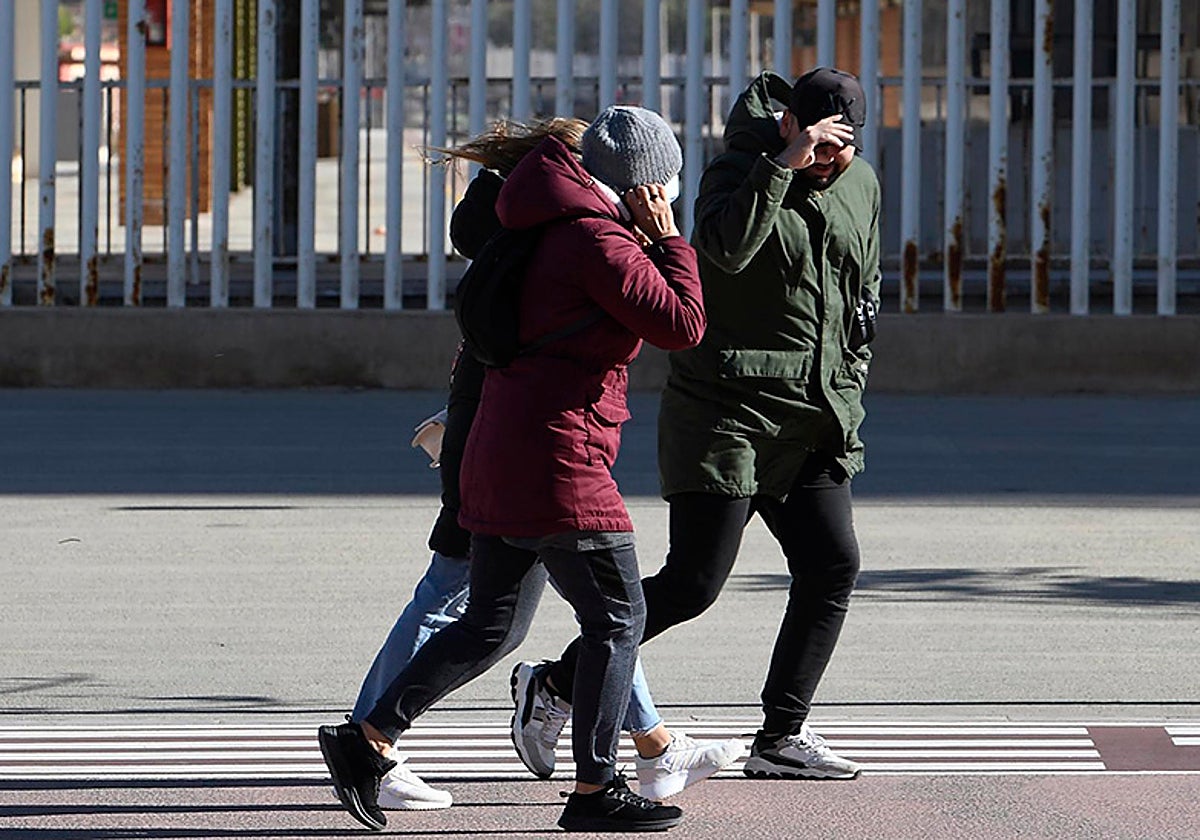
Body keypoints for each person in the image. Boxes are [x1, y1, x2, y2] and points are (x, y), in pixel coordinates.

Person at [319, 105, 715, 833]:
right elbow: (682, 324)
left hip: (504, 446)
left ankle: (366, 738)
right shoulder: (595, 239)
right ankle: (595, 791)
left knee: (490, 624)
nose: (669, 196)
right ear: (645, 184)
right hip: (561, 457)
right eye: (667, 184)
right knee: (618, 620)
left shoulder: (536, 219)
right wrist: (667, 239)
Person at [510, 67, 881, 782]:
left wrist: (852, 374)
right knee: (693, 583)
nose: (830, 157)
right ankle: (553, 684)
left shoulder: (860, 183)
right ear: (787, 124)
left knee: (832, 565)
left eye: (843, 145)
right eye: (817, 140)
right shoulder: (737, 173)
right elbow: (722, 251)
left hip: (813, 416)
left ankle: (781, 736)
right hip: (725, 413)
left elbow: (862, 290)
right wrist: (782, 166)